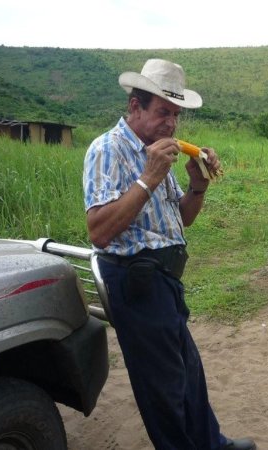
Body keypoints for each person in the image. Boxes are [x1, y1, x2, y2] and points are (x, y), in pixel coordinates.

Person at [83, 59, 256, 450]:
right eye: (163, 112)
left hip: (165, 282)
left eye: (176, 115)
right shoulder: (108, 150)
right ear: (135, 107)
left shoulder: (157, 152)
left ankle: (213, 444)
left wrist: (197, 188)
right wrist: (149, 177)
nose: (172, 125)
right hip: (136, 281)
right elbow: (100, 231)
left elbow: (181, 219)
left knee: (188, 373)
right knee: (163, 387)